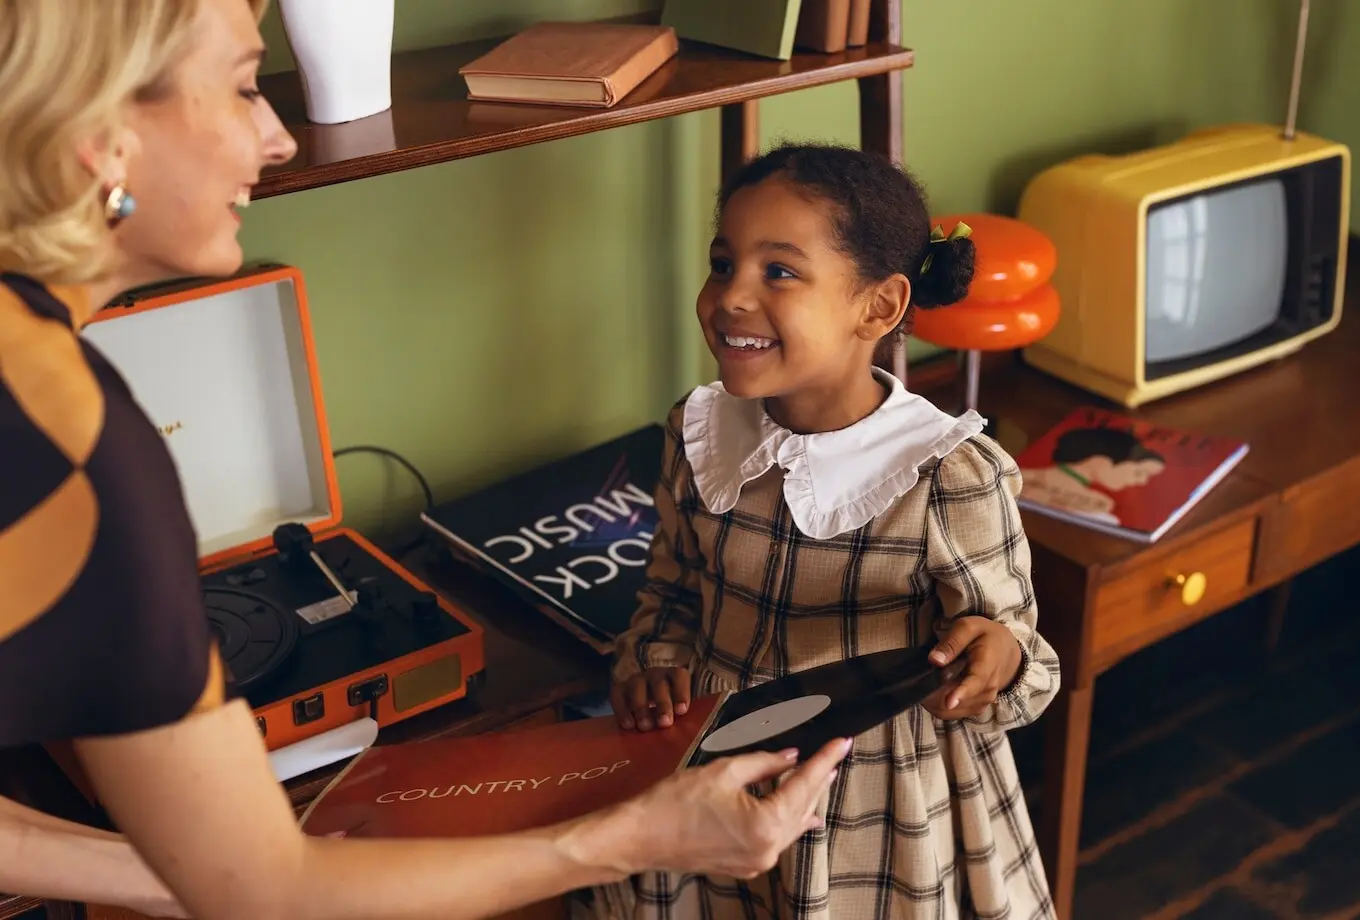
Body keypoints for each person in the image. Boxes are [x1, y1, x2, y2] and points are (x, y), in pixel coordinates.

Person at [0, 2, 852, 918]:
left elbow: (236, 881)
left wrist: (183, 872)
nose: (277, 141)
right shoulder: (69, 434)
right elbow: (272, 897)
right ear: (102, 134)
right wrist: (629, 838)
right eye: (246, 86)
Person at [606, 144, 1063, 920]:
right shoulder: (700, 429)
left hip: (875, 804)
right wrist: (654, 658)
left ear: (878, 308)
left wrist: (995, 656)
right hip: (719, 766)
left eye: (779, 271)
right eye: (723, 264)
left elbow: (1024, 657)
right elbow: (673, 588)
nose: (731, 296)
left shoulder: (945, 475)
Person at [1020, 426, 1166, 526]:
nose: (1142, 482)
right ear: (1101, 461)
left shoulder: (1022, 475)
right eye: (1139, 473)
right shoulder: (1097, 505)